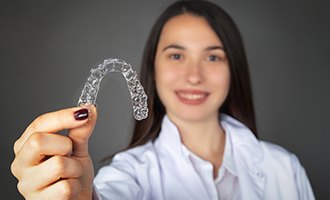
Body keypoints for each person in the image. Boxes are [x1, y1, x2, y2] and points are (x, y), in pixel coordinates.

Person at [11, 1, 315, 199]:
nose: (194, 75)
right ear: (152, 69)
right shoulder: (128, 174)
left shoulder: (285, 169)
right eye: (176, 55)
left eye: (212, 56)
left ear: (232, 68)